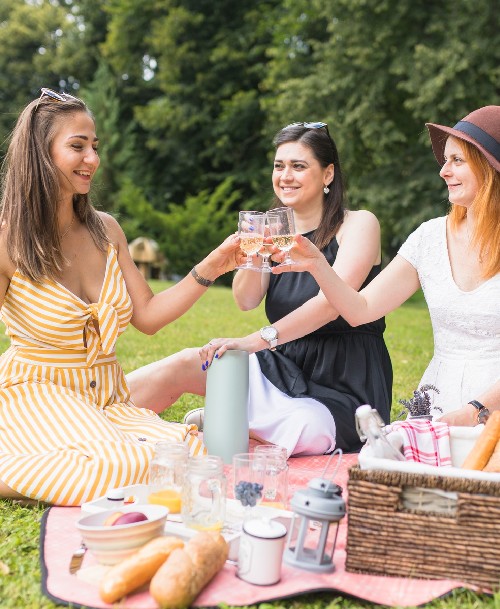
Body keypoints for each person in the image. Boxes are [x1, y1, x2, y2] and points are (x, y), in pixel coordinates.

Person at [0, 88, 245, 505]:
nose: (92, 159)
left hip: (105, 399)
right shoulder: (9, 239)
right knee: (123, 466)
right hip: (36, 392)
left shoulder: (106, 230)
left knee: (188, 453)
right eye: (77, 146)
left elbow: (148, 316)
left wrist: (216, 264)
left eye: (94, 146)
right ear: (41, 154)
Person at [130, 122, 393, 456]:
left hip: (343, 379)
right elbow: (246, 299)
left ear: (328, 175)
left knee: (306, 429)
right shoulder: (274, 227)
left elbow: (330, 306)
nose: (285, 175)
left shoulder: (359, 224)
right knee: (187, 363)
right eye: (278, 165)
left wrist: (254, 342)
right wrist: (255, 253)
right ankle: (87, 418)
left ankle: (225, 421)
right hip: (283, 367)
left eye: (298, 166)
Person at [271, 106, 500, 428]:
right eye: (445, 160)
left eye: (457, 161)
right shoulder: (430, 236)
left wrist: (475, 411)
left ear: (490, 167)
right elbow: (360, 310)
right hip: (440, 400)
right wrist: (318, 264)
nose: (443, 172)